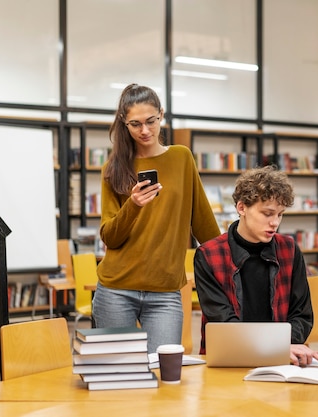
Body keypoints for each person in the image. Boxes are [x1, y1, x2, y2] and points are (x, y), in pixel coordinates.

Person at [93, 83, 220, 353]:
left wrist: (232, 264)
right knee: (118, 377)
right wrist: (134, 205)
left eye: (151, 121)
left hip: (166, 292)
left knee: (165, 375)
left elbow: (204, 224)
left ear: (162, 114)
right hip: (116, 289)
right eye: (135, 124)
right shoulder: (112, 169)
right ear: (124, 123)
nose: (145, 131)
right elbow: (110, 237)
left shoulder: (181, 158)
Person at [194, 165, 318, 366]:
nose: (275, 222)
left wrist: (281, 347)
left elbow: (302, 315)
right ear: (241, 208)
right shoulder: (209, 255)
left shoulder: (289, 249)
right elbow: (223, 323)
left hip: (281, 362)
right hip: (228, 359)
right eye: (267, 213)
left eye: (280, 214)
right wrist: (275, 347)